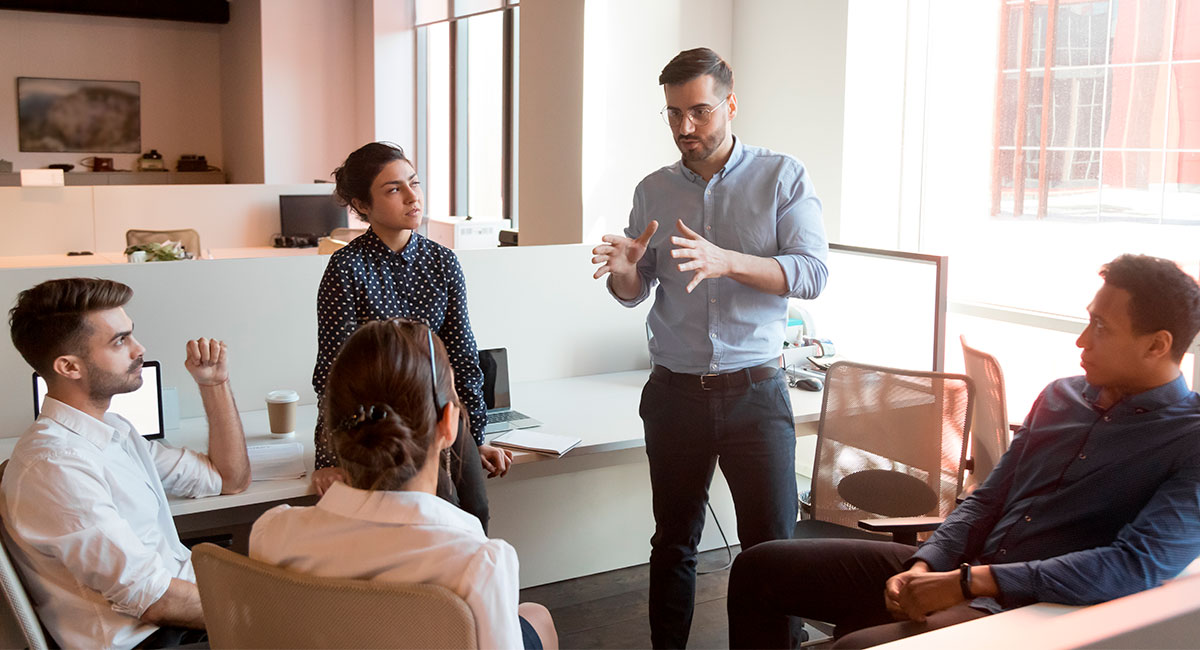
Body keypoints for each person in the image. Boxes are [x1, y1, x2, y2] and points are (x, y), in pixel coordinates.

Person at [727, 253, 1200, 649]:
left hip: (1030, 606)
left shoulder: (1189, 441)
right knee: (758, 568)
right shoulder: (1062, 396)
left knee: (854, 648)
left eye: (1101, 326)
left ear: (1158, 345)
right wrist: (925, 564)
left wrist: (970, 583)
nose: (1081, 340)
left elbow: (1133, 565)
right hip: (959, 571)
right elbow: (988, 499)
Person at [591, 47, 829, 648]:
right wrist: (624, 272)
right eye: (673, 114)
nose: (685, 128)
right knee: (672, 542)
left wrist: (728, 262)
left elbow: (811, 273)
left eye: (698, 111)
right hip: (675, 394)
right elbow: (635, 291)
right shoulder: (653, 190)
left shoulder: (782, 176)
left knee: (770, 549)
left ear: (730, 104)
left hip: (756, 392)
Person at [251, 319, 557, 650]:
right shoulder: (478, 562)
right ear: (448, 424)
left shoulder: (272, 533)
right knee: (536, 616)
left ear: (333, 429)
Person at [0, 278, 251, 649]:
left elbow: (228, 479)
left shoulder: (112, 431)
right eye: (120, 341)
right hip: (153, 638)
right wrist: (259, 607)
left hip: (185, 617)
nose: (139, 349)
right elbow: (154, 601)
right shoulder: (56, 466)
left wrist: (214, 384)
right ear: (69, 366)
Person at [310, 141, 511, 530]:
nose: (412, 197)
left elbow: (463, 358)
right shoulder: (346, 268)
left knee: (475, 514)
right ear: (362, 206)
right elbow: (333, 373)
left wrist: (478, 435)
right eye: (393, 189)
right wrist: (328, 460)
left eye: (413, 184)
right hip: (380, 425)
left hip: (442, 411)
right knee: (432, 512)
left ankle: (470, 589)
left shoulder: (443, 261)